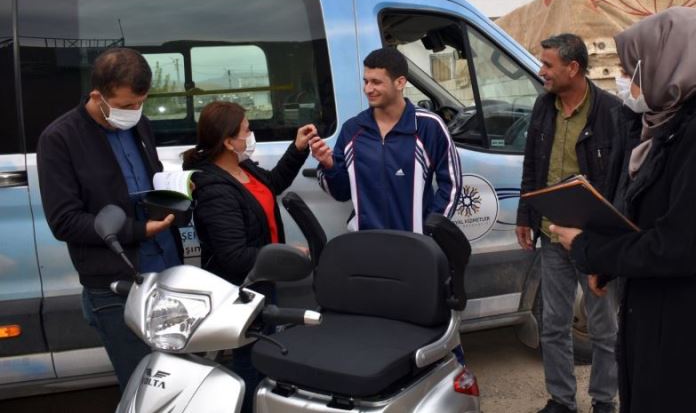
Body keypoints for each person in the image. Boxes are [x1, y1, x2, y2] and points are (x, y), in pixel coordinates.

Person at [551, 7, 696, 413]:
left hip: (692, 328)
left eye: (638, 68)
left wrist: (590, 249)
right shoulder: (673, 126)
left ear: (674, 62)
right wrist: (610, 266)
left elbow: (678, 247)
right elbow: (653, 220)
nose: (632, 81)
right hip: (662, 316)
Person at [37, 47, 181, 389]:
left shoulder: (141, 125)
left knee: (174, 378)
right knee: (141, 387)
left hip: (166, 271)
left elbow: (148, 180)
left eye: (141, 102)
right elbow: (65, 221)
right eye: (127, 104)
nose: (135, 110)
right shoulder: (59, 139)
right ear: (98, 96)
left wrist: (173, 197)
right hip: (116, 283)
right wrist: (138, 230)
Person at [182, 100, 318, 411]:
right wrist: (281, 255)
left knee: (263, 356)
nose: (251, 135)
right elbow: (233, 256)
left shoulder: (242, 168)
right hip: (242, 289)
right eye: (246, 130)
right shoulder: (214, 186)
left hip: (262, 283)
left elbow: (272, 184)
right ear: (228, 142)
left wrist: (297, 149)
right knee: (251, 362)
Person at [515, 33, 620, 413]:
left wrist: (609, 239)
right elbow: (532, 166)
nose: (541, 72)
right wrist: (526, 215)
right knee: (554, 325)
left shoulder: (610, 112)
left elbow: (619, 181)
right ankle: (561, 400)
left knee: (604, 329)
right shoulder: (544, 107)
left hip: (593, 243)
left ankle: (604, 401)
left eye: (548, 65)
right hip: (550, 236)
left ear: (572, 68)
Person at [311, 47, 461, 233]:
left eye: (376, 82)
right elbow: (341, 193)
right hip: (366, 244)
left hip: (415, 246)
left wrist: (430, 229)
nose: (368, 89)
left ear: (400, 83)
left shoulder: (429, 126)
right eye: (366, 81)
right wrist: (328, 165)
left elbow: (452, 185)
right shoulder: (352, 130)